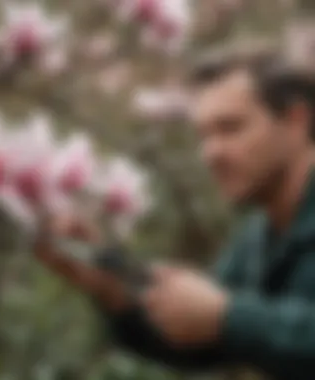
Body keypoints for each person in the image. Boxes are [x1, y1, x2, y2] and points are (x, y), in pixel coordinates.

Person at [34, 44, 315, 380]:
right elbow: (202, 342)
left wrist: (226, 316)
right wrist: (113, 291)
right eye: (204, 135)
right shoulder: (258, 236)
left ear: (297, 120)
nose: (211, 153)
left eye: (231, 128)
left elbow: (226, 320)